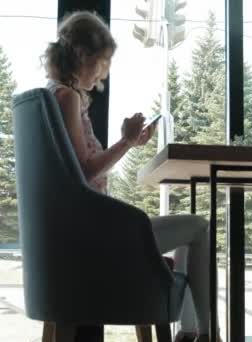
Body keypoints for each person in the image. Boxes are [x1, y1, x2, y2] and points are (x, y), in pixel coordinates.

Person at [42, 11, 222, 342]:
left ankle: (191, 332)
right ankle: (206, 334)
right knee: (197, 228)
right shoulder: (66, 99)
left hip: (77, 238)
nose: (101, 73)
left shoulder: (49, 98)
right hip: (96, 240)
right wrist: (126, 140)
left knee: (187, 232)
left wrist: (130, 142)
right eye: (101, 62)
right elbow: (84, 171)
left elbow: (73, 172)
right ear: (84, 56)